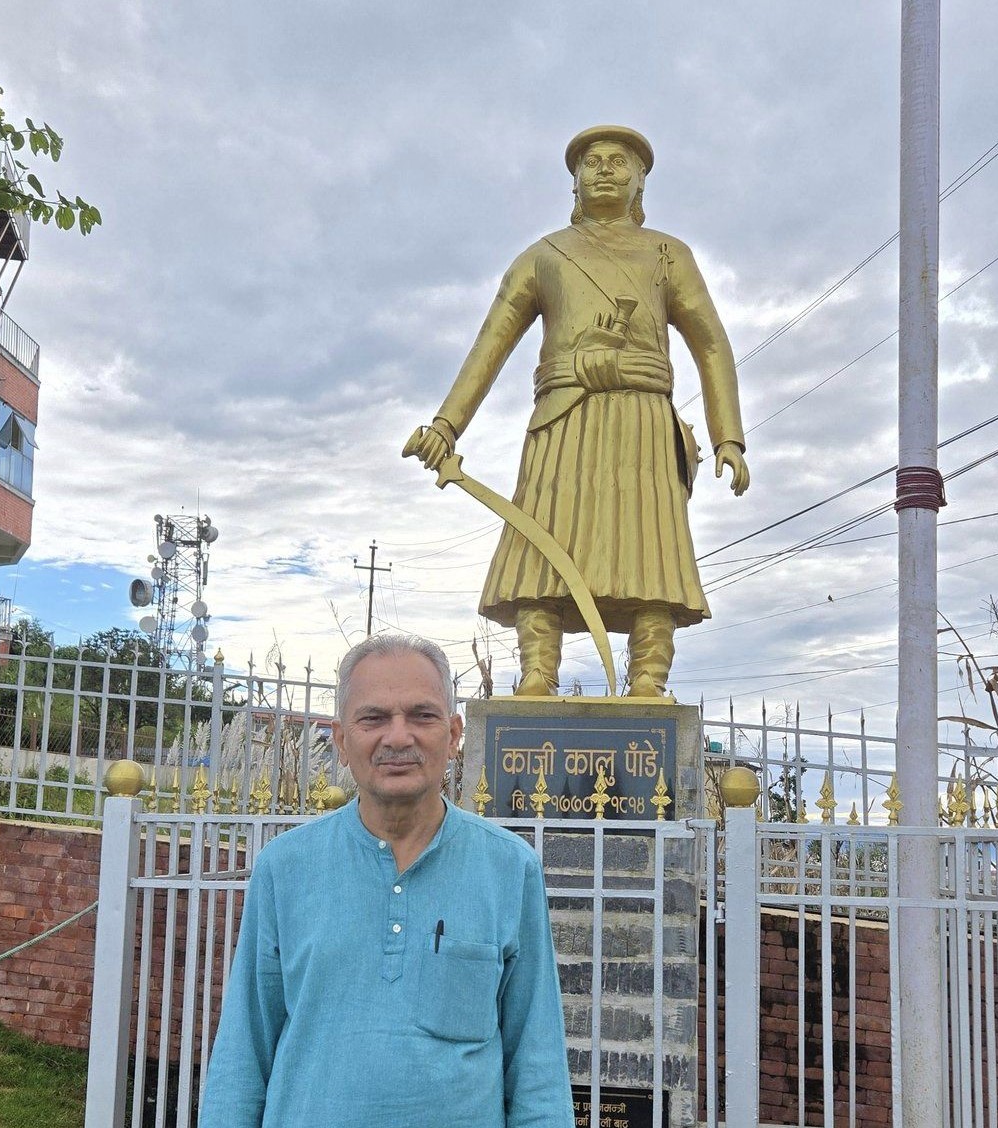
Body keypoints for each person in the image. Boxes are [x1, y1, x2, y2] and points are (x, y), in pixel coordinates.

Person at [407, 124, 749, 699]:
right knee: (542, 543)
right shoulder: (544, 258)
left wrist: (728, 437)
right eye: (592, 162)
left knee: (651, 550)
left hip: (641, 420)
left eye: (620, 162)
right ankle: (538, 673)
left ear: (641, 180)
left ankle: (648, 678)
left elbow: (711, 342)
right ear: (574, 180)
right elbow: (489, 345)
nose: (606, 170)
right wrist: (446, 425)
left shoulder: (669, 255)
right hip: (563, 418)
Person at [200, 633, 574, 1128]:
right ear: (340, 737)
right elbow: (243, 1054)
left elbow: (537, 1063)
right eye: (373, 718)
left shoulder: (509, 868)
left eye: (422, 715)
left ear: (454, 733)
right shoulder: (285, 868)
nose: (398, 737)